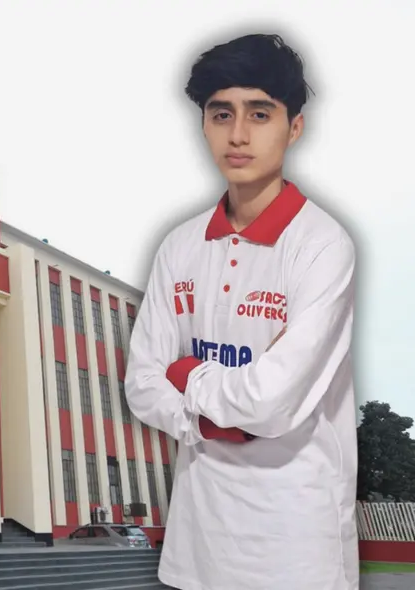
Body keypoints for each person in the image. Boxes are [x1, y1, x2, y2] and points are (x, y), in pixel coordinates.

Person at [124, 33, 359, 590]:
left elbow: (272, 404)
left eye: (260, 113)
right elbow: (141, 384)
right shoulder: (179, 246)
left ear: (293, 127)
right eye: (220, 113)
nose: (237, 134)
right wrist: (229, 409)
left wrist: (186, 376)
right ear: (203, 124)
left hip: (297, 548)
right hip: (197, 546)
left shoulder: (323, 246)